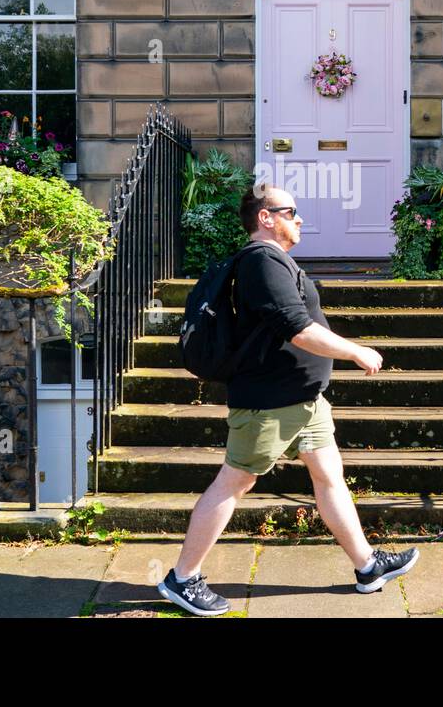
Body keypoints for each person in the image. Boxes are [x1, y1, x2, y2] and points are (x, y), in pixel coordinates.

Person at [157, 183, 419, 615]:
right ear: (265, 217)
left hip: (304, 399)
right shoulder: (262, 261)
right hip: (270, 402)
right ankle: (182, 578)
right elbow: (295, 327)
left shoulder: (277, 261)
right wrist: (355, 350)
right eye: (291, 210)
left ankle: (367, 566)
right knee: (235, 481)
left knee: (329, 476)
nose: (299, 218)